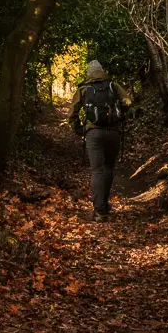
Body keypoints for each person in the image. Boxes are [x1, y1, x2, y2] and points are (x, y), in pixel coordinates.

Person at [69, 60, 132, 222]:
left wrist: (79, 130)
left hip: (93, 133)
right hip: (113, 132)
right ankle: (104, 204)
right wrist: (120, 115)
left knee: (97, 171)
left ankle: (99, 211)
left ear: (89, 73)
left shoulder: (83, 89)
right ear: (102, 71)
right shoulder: (113, 85)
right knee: (109, 168)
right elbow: (128, 102)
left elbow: (72, 114)